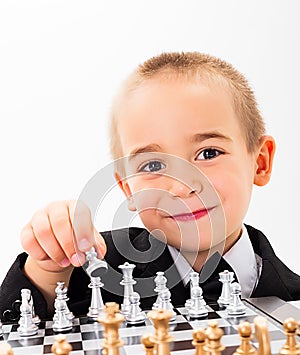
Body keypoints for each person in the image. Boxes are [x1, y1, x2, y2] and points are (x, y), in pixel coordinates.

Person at [1, 51, 300, 321]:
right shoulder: (98, 272)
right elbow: (19, 331)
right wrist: (50, 265)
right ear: (128, 189)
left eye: (208, 153)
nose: (181, 187)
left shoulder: (293, 300)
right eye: (153, 166)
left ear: (260, 162)